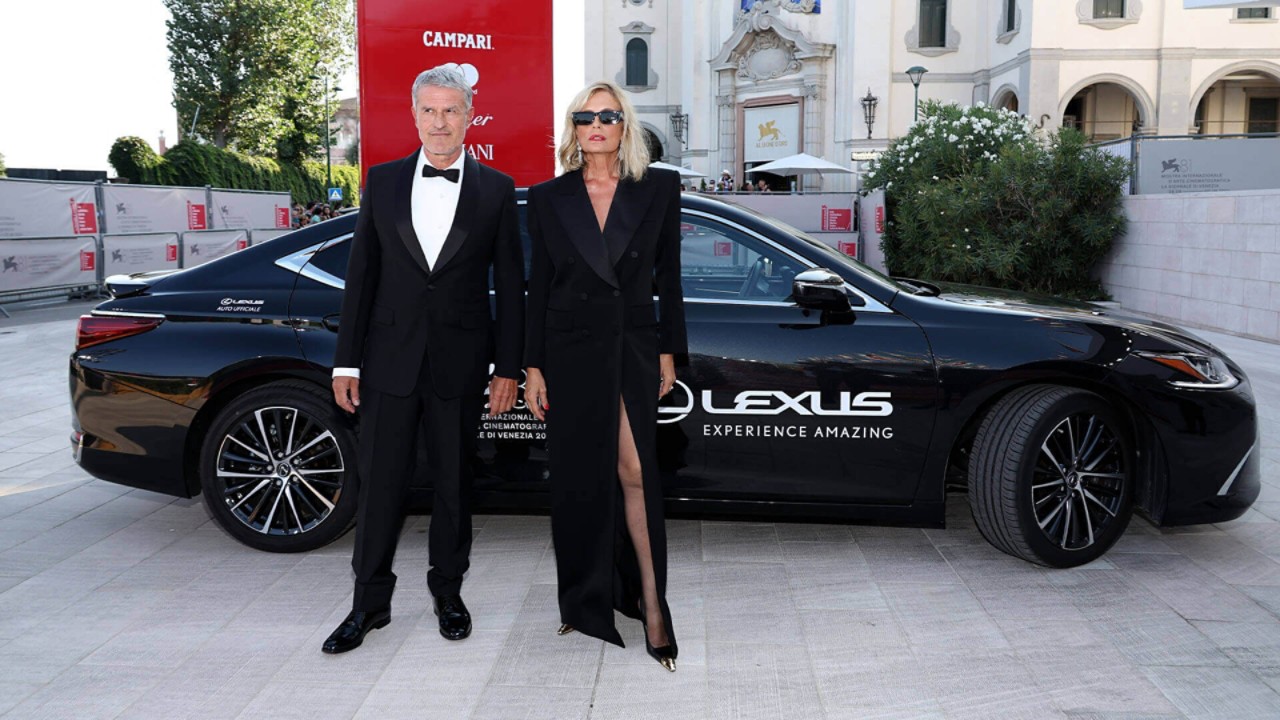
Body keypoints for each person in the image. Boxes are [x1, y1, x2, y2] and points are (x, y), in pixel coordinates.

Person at [322, 65, 524, 654]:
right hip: (387, 361)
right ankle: (369, 605)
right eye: (430, 111)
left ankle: (448, 592)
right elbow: (361, 279)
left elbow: (511, 286)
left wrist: (507, 367)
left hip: (461, 365)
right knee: (380, 484)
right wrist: (345, 362)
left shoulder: (496, 189)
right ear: (414, 116)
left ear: (468, 116)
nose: (440, 122)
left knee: (455, 488)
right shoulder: (381, 183)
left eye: (451, 111)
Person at [523, 80, 687, 673]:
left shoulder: (660, 188)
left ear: (626, 125)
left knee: (635, 471)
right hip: (568, 351)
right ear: (573, 127)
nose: (597, 124)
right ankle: (585, 602)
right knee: (579, 478)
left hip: (633, 346)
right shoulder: (547, 197)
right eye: (586, 116)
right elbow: (537, 286)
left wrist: (670, 350)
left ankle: (652, 603)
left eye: (609, 115)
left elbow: (669, 277)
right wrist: (532, 364)